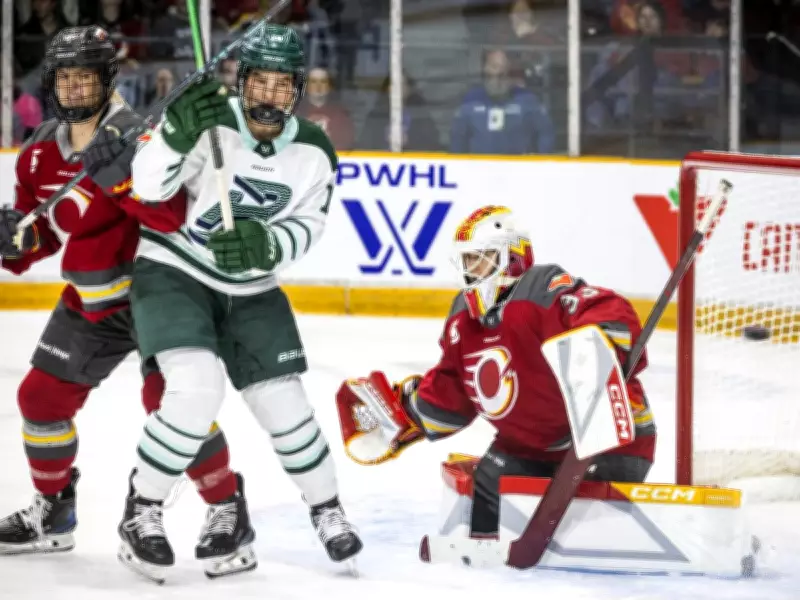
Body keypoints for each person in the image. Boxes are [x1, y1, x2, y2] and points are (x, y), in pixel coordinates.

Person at [107, 23, 362, 583]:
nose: (269, 95)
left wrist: (268, 244)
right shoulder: (206, 117)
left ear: (297, 90)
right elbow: (147, 187)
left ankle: (327, 509)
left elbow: (310, 223)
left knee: (286, 405)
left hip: (252, 288)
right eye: (260, 82)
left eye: (282, 85)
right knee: (195, 389)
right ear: (243, 81)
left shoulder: (314, 150)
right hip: (175, 270)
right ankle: (142, 508)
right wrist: (175, 136)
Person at [0, 26, 251, 579]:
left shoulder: (144, 139)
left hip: (156, 295)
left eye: (85, 77)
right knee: (40, 398)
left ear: (107, 79)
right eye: (65, 78)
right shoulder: (38, 154)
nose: (74, 88)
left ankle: (228, 508)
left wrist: (121, 180)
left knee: (170, 403)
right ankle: (53, 513)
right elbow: (43, 234)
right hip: (90, 301)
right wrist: (14, 241)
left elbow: (172, 217)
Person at [337, 205, 656, 536]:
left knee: (588, 535)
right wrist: (408, 414)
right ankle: (486, 561)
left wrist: (599, 341)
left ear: (512, 256)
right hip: (529, 446)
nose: (471, 270)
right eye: (467, 260)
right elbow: (452, 391)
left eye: (480, 258)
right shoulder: (462, 319)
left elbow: (608, 310)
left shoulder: (542, 288)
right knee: (486, 490)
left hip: (612, 439)